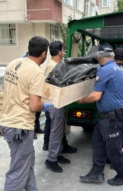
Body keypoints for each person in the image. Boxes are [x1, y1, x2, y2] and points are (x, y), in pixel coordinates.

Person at [0, 36, 52, 191]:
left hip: (7, 121)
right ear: (43, 53)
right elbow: (35, 105)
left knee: (27, 163)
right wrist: (48, 105)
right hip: (20, 127)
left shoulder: (13, 63)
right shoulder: (36, 72)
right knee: (18, 170)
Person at [78, 44, 123, 186]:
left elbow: (96, 96)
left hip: (113, 118)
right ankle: (96, 172)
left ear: (98, 56)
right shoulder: (115, 67)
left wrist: (80, 100)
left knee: (113, 149)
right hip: (107, 117)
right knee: (97, 143)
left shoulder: (105, 70)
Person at [43, 41, 77, 173]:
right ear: (59, 52)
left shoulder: (56, 64)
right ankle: (51, 159)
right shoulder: (53, 66)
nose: (63, 53)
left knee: (59, 130)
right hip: (54, 103)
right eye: (63, 50)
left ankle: (57, 154)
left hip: (58, 102)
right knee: (56, 132)